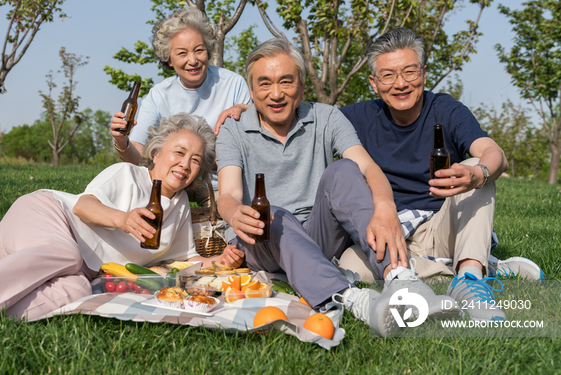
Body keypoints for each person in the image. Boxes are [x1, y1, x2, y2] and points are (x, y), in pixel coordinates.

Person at [0, 113, 244, 359]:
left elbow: (182, 259)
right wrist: (123, 219)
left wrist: (221, 258)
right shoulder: (127, 174)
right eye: (179, 152)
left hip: (68, 265)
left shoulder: (181, 207)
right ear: (156, 153)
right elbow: (84, 206)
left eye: (196, 159)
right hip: (45, 215)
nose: (186, 163)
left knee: (78, 290)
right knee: (67, 255)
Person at [215, 38, 459, 338]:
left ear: (301, 87)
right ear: (252, 92)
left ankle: (401, 278)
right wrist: (234, 213)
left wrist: (384, 207)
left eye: (286, 82)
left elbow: (369, 168)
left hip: (317, 233)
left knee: (345, 169)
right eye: (264, 84)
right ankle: (355, 300)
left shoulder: (327, 117)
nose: (276, 93)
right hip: (262, 236)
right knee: (274, 214)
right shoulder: (233, 128)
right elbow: (227, 195)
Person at [340, 27, 544, 322]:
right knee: (349, 268)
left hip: (442, 226)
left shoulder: (446, 109)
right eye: (388, 75)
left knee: (476, 166)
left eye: (409, 72)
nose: (400, 84)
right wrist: (247, 111)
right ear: (374, 82)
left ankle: (470, 279)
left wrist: (478, 172)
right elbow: (304, 119)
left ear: (423, 72)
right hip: (389, 233)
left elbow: (495, 154)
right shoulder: (354, 117)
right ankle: (484, 264)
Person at [110, 7, 252, 201]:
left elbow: (253, 141)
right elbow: (139, 159)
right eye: (182, 53)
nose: (192, 60)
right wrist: (121, 141)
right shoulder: (159, 95)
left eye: (199, 50)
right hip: (172, 181)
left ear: (208, 50)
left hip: (219, 184)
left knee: (228, 209)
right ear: (169, 59)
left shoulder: (233, 84)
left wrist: (245, 109)